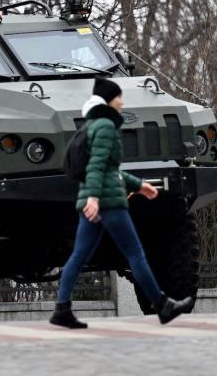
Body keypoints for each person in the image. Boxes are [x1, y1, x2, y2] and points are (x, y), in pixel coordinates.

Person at [50, 77, 194, 329]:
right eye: (118, 97)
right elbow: (96, 165)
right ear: (108, 100)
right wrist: (95, 198)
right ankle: (163, 306)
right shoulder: (105, 125)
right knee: (136, 254)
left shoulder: (92, 125)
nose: (122, 101)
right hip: (107, 202)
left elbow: (109, 169)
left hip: (95, 199)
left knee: (79, 256)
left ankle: (61, 309)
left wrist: (139, 186)